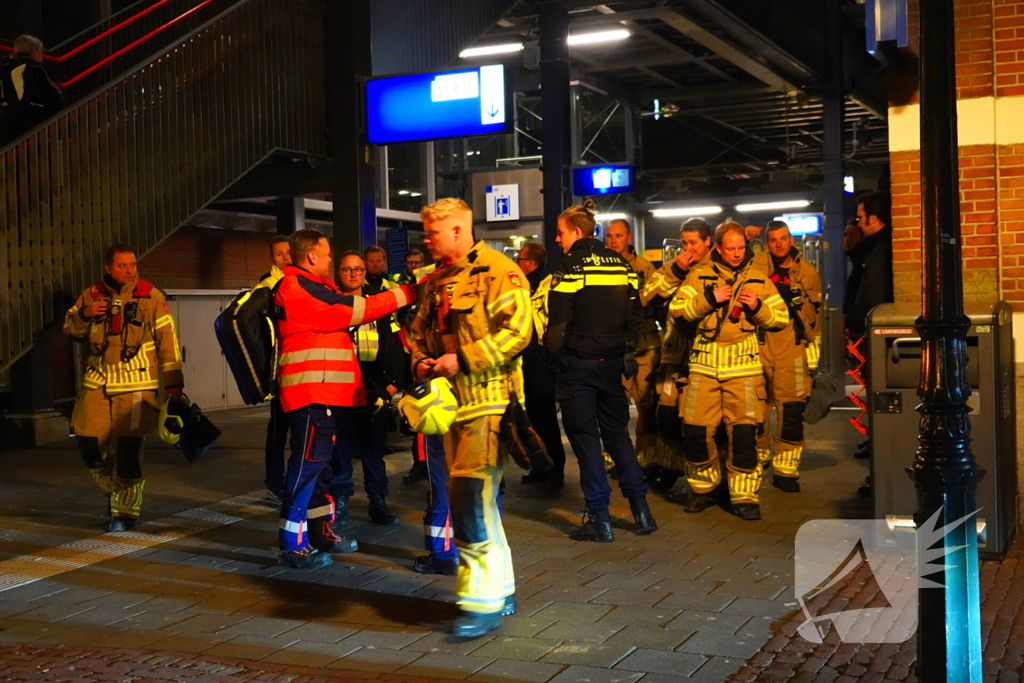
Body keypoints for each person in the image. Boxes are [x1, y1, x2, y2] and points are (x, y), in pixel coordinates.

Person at [408, 197, 530, 638]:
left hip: (491, 402)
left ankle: (480, 604)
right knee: (477, 502)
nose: (426, 239)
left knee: (468, 499)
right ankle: (502, 588)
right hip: (449, 408)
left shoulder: (499, 271)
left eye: (433, 232)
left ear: (458, 231)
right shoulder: (434, 281)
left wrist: (463, 359)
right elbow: (416, 332)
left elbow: (520, 331)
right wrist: (421, 361)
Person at [274, 229, 415, 569]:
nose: (328, 261)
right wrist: (409, 292)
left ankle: (320, 531)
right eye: (325, 255)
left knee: (319, 469)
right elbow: (356, 309)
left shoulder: (310, 287)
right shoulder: (302, 288)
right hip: (312, 393)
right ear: (310, 257)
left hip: (323, 393)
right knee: (306, 467)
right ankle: (292, 544)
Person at [547, 202, 657, 542]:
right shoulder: (622, 264)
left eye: (561, 232)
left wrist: (555, 359)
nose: (557, 238)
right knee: (618, 437)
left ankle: (600, 520)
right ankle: (642, 513)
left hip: (578, 368)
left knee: (586, 442)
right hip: (611, 366)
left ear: (576, 232)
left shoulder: (569, 266)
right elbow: (637, 315)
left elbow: (557, 324)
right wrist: (621, 347)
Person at [669, 221, 789, 521]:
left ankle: (744, 495)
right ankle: (703, 488)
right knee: (695, 431)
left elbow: (780, 318)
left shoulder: (760, 280)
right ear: (718, 248)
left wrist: (758, 307)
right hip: (703, 366)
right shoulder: (699, 275)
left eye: (740, 248)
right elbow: (677, 311)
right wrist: (710, 299)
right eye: (730, 248)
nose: (736, 254)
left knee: (745, 435)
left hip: (745, 368)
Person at [63, 244, 183, 532]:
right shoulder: (91, 295)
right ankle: (115, 489)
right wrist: (85, 313)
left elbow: (169, 343)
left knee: (129, 451)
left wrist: (173, 387)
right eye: (122, 266)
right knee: (89, 446)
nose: (130, 271)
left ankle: (125, 512)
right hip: (97, 382)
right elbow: (71, 329)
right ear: (108, 268)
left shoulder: (150, 296)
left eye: (132, 265)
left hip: (136, 384)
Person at [640, 218, 714, 489]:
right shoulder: (674, 268)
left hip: (706, 357)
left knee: (699, 423)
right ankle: (670, 467)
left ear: (708, 242)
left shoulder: (720, 269)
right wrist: (675, 273)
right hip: (674, 355)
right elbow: (647, 297)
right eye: (684, 243)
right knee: (667, 417)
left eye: (694, 243)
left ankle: (709, 477)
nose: (688, 249)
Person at [330, 252, 404, 526]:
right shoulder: (330, 301)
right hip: (339, 389)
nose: (354, 274)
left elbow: (395, 346)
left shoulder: (378, 303)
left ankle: (378, 501)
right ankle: (339, 503)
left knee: (374, 453)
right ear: (339, 273)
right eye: (347, 269)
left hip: (374, 390)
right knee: (340, 453)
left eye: (358, 269)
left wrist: (392, 385)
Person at [752, 221, 822, 493]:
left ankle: (786, 470)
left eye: (782, 238)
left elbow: (814, 318)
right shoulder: (755, 265)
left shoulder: (807, 272)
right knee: (754, 411)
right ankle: (758, 459)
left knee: (791, 411)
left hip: (791, 344)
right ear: (766, 242)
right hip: (758, 342)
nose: (778, 244)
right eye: (772, 239)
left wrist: (812, 351)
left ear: (790, 239)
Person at [604, 219, 660, 470]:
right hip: (614, 346)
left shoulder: (644, 268)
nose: (613, 240)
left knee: (646, 403)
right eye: (609, 236)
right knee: (614, 404)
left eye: (618, 235)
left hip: (644, 345)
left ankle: (645, 456)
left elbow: (653, 303)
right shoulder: (601, 268)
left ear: (628, 238)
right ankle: (616, 456)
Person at [515, 242, 567, 489]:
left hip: (542, 361)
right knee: (532, 418)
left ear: (530, 263)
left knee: (545, 417)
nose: (517, 262)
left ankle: (555, 470)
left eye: (520, 258)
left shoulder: (547, 285)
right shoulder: (523, 286)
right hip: (527, 360)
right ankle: (540, 466)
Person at [255, 235, 291, 501]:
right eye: (279, 254)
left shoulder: (299, 279)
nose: (285, 257)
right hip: (280, 369)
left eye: (288, 252)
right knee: (278, 429)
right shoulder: (267, 286)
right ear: (272, 259)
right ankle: (275, 483)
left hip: (298, 366)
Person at [845, 192, 893, 339]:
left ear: (872, 218)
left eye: (860, 218)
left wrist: (854, 323)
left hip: (873, 330)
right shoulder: (876, 246)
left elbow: (872, 292)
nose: (858, 223)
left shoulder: (878, 250)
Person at [0, 35, 63, 144]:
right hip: (28, 118)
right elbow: (55, 96)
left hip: (5, 119)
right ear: (34, 52)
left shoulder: (3, 67)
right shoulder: (34, 68)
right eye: (40, 51)